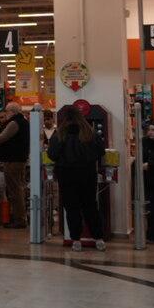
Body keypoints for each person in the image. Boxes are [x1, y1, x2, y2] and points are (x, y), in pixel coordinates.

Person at [47, 105, 107, 251]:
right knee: (90, 206)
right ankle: (99, 239)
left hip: (66, 175)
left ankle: (76, 240)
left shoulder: (59, 134)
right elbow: (101, 151)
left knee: (71, 207)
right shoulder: (89, 132)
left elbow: (52, 154)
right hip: (87, 174)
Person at [0, 102, 30, 228]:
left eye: (7, 111)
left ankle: (19, 220)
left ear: (12, 112)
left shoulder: (14, 123)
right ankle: (20, 217)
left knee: (15, 190)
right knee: (19, 188)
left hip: (12, 160)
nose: (5, 114)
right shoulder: (24, 122)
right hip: (20, 159)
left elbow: (1, 138)